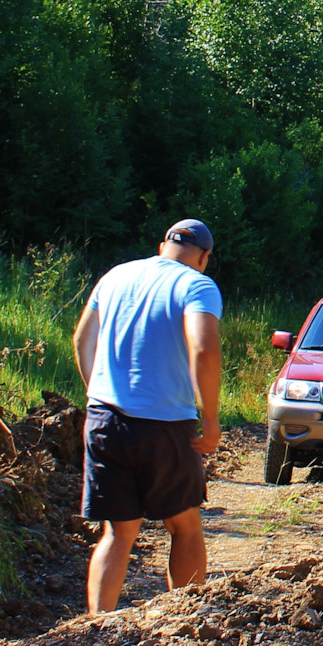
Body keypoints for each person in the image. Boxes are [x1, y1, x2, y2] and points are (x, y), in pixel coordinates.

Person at [72, 220, 223, 614]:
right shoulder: (196, 286)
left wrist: (98, 393)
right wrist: (210, 419)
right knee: (184, 527)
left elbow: (81, 338)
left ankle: (97, 629)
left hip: (105, 419)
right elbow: (204, 349)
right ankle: (185, 622)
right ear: (204, 257)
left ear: (162, 246)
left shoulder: (116, 275)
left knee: (117, 534)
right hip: (165, 425)